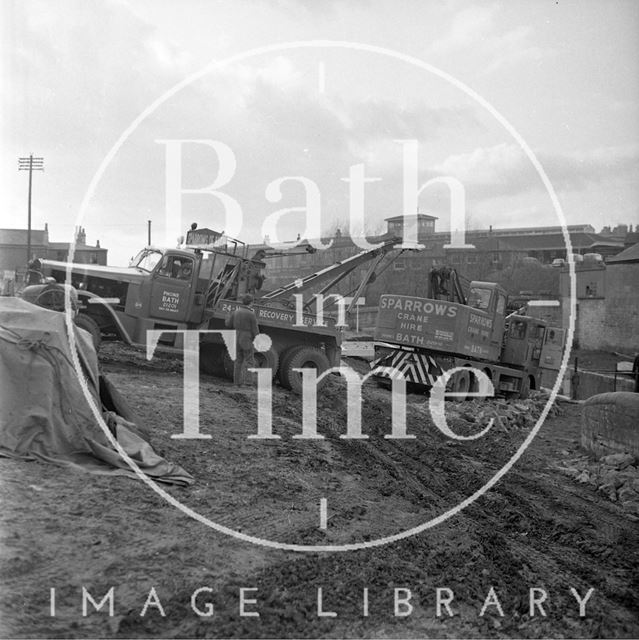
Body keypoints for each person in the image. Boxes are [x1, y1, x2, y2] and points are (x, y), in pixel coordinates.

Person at [225, 294, 259, 386]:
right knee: (249, 361)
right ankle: (248, 383)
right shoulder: (251, 314)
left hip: (237, 337)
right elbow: (255, 330)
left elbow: (228, 324)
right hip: (247, 339)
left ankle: (236, 383)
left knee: (238, 361)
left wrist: (228, 315)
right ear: (251, 303)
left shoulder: (236, 312)